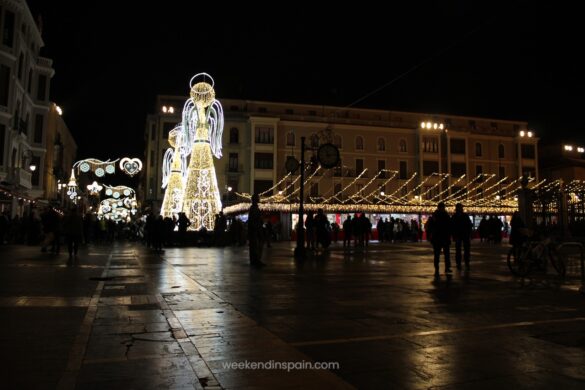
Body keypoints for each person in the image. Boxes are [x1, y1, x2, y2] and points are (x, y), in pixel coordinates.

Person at [427, 202, 452, 276]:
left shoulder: (435, 216)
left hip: (439, 237)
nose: (443, 209)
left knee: (439, 254)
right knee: (443, 254)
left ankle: (440, 267)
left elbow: (430, 227)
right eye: (443, 207)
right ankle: (442, 267)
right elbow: (449, 226)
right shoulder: (444, 215)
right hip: (441, 237)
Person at [451, 203, 472, 270]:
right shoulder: (462, 216)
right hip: (460, 235)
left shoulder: (459, 216)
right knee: (459, 250)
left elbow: (469, 225)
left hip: (464, 234)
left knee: (465, 249)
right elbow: (452, 226)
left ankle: (465, 261)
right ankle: (460, 262)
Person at [248, 193, 265, 266]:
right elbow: (254, 220)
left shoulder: (254, 208)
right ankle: (256, 260)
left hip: (255, 229)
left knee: (255, 245)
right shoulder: (254, 208)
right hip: (255, 230)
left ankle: (255, 260)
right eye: (258, 197)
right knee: (256, 245)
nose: (259, 198)